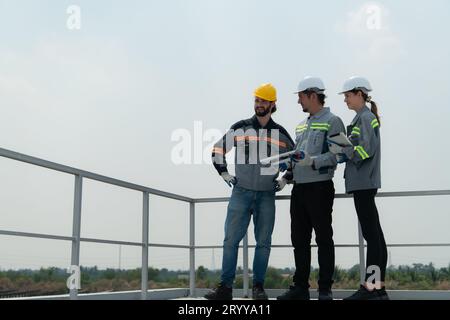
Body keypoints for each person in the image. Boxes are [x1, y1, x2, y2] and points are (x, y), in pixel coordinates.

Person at [204, 83, 294, 300]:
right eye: (256, 100)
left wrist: (285, 178)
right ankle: (225, 289)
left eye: (263, 101)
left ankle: (258, 288)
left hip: (266, 195)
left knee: (263, 243)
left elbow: (296, 158)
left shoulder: (280, 133)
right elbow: (217, 149)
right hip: (241, 193)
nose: (259, 104)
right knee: (230, 241)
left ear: (272, 104)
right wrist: (224, 173)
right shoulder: (240, 127)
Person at [277, 77, 346, 301]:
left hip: (320, 188)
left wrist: (313, 161)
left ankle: (324, 289)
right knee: (299, 240)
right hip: (299, 190)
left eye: (300, 97)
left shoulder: (334, 121)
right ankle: (300, 288)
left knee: (324, 238)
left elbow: (340, 155)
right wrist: (286, 177)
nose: (298, 102)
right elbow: (297, 159)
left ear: (312, 95)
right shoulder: (300, 126)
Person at [328, 76, 389, 300]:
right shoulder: (362, 118)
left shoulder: (365, 117)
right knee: (376, 237)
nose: (345, 100)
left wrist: (346, 150)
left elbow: (366, 150)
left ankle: (372, 289)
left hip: (363, 183)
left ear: (359, 94)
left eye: (347, 96)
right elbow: (361, 149)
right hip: (363, 182)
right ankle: (377, 288)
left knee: (372, 237)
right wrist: (344, 150)